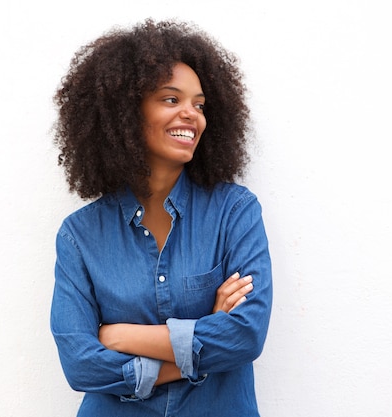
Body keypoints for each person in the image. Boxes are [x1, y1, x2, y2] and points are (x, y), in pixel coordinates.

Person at [50, 19, 272, 416]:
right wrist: (204, 337)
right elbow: (80, 365)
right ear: (125, 113)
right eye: (172, 100)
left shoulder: (235, 212)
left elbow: (245, 335)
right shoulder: (79, 236)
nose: (192, 114)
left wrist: (120, 336)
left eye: (199, 105)